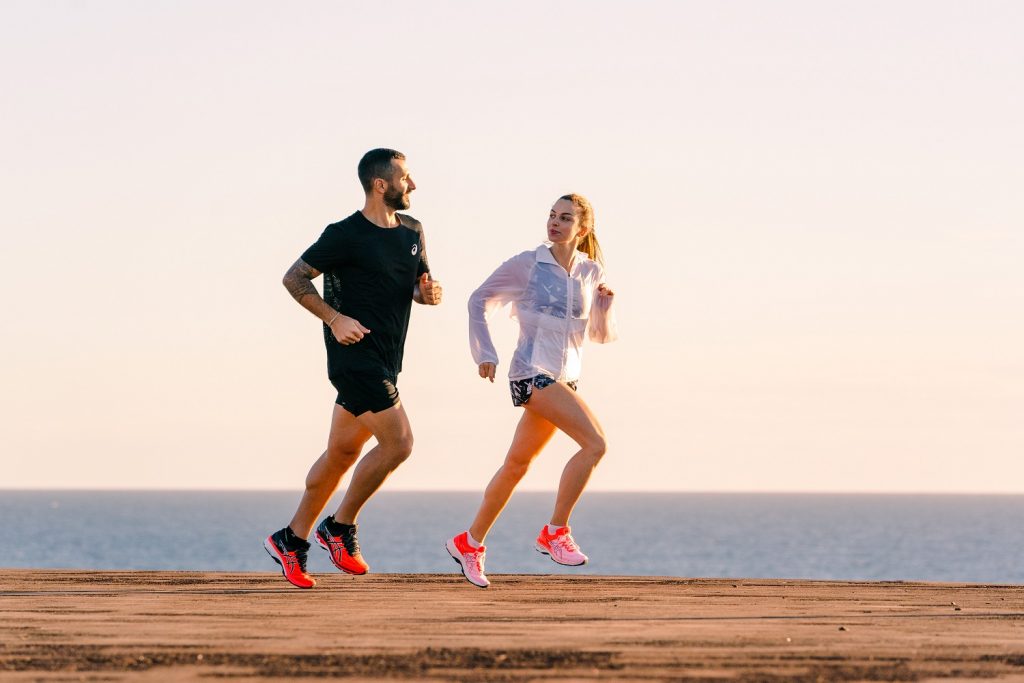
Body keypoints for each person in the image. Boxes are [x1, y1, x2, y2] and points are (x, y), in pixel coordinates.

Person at [264, 148, 442, 589]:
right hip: (354, 360)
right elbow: (294, 278)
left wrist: (426, 295)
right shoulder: (343, 234)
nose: (413, 185)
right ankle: (338, 528)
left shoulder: (413, 231)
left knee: (342, 454)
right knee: (399, 443)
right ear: (382, 185)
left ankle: (291, 538)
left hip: (388, 358)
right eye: (406, 178)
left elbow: (415, 287)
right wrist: (333, 318)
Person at [446, 193, 617, 588]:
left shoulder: (591, 272)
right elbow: (478, 300)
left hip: (566, 378)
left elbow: (598, 336)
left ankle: (469, 542)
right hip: (531, 373)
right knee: (595, 444)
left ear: (583, 229)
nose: (555, 223)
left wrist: (605, 308)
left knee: (516, 465)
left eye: (566, 218)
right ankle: (555, 532)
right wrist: (484, 352)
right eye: (553, 216)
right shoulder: (527, 264)